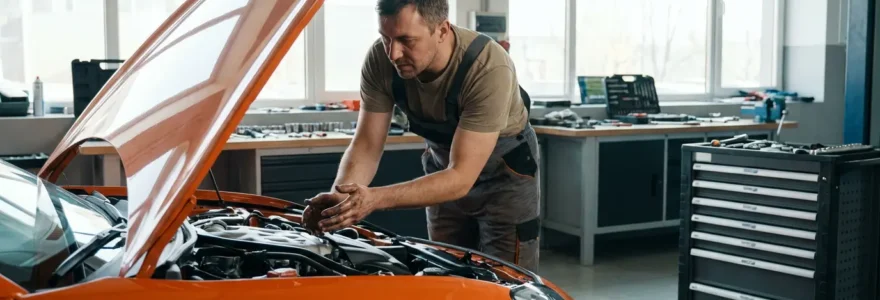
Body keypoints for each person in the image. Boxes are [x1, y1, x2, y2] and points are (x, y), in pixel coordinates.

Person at [303, 0, 541, 272]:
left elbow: (461, 177)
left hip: (504, 178)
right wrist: (340, 203)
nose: (393, 53)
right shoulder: (381, 60)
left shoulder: (487, 66)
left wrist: (373, 199)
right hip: (442, 170)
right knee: (445, 272)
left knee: (506, 279)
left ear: (441, 30)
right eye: (385, 38)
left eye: (406, 40)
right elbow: (367, 146)